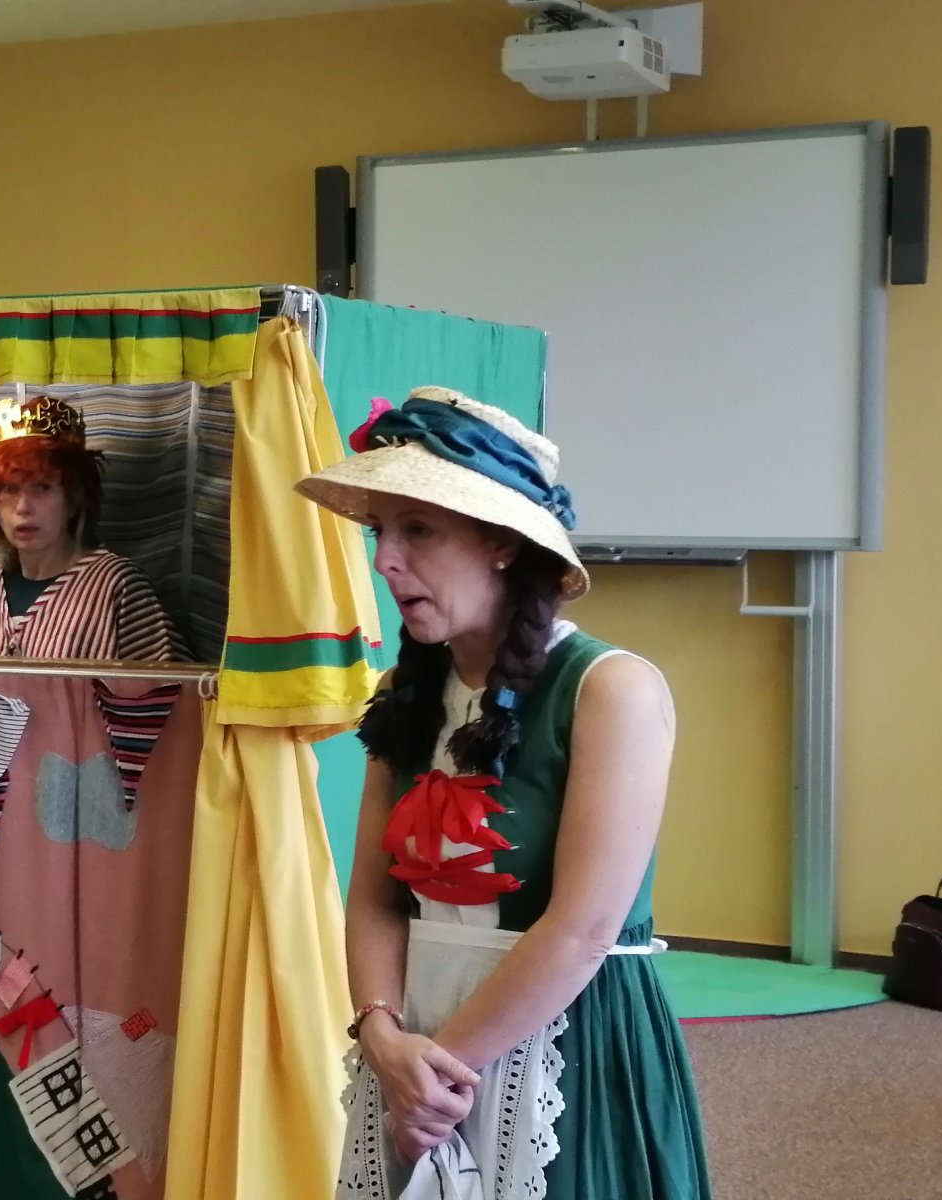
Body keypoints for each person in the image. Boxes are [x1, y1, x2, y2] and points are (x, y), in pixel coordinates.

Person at [296, 386, 709, 1199]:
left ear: (502, 543)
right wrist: (381, 1034)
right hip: (414, 1043)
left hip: (563, 1035)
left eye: (417, 529)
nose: (384, 560)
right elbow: (374, 898)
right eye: (380, 530)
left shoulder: (610, 689)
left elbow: (583, 931)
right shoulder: (405, 693)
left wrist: (435, 1072)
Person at [0, 394, 187, 661]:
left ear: (73, 499)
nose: (23, 507)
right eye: (9, 489)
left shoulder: (116, 585)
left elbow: (165, 686)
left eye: (42, 487)